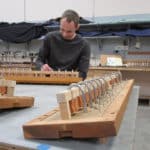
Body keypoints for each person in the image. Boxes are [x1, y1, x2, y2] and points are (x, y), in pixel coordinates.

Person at [35, 9, 91, 80]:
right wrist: (41, 67)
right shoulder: (50, 38)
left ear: (77, 27)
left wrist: (63, 78)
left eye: (69, 32)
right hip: (48, 80)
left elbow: (83, 73)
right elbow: (39, 61)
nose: (64, 34)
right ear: (60, 24)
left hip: (69, 83)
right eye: (62, 29)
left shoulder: (84, 45)